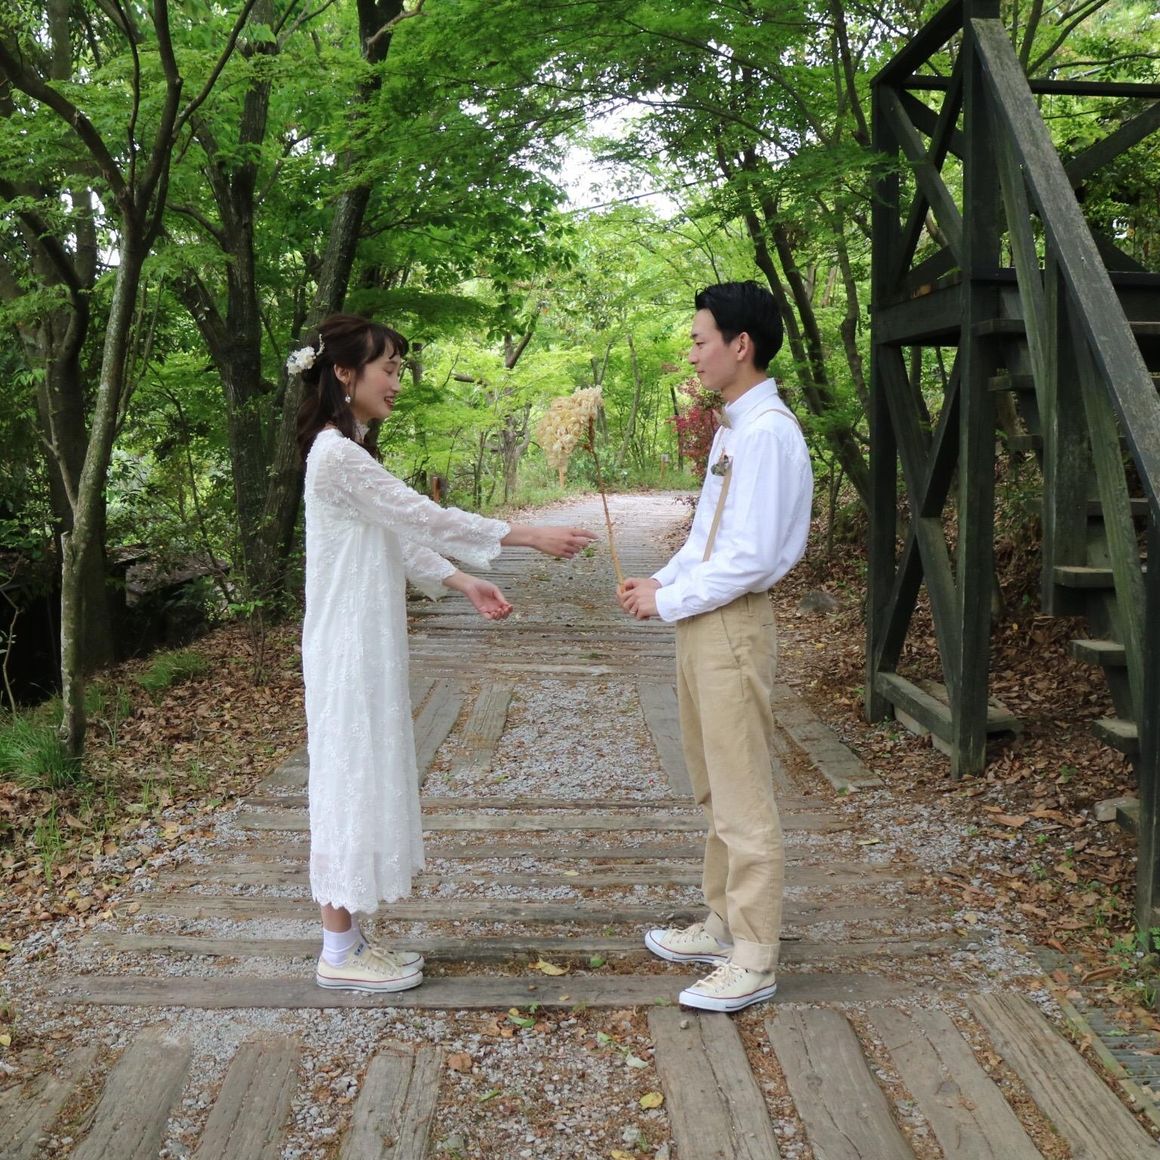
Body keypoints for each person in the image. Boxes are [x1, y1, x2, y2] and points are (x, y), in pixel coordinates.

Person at [294, 313, 597, 993]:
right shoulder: (337, 455)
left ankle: (350, 938)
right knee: (346, 778)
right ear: (344, 373)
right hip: (347, 645)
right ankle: (337, 950)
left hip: (363, 640)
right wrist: (528, 535)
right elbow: (426, 516)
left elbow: (398, 537)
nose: (397, 382)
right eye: (388, 369)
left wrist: (462, 581)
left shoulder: (347, 452)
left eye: (399, 369)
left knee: (361, 772)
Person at [618, 281, 812, 1013]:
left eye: (701, 340)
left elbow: (752, 558)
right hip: (704, 618)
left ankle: (755, 955)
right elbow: (709, 535)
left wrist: (669, 600)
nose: (694, 354)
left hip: (732, 622)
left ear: (742, 344)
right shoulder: (735, 426)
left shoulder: (768, 433)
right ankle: (724, 921)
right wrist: (661, 581)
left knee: (741, 789)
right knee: (711, 779)